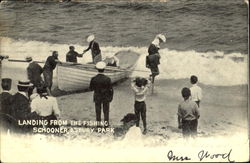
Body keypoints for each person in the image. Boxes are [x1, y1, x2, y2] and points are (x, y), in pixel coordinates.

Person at [89, 61, 113, 126]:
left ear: (97, 69)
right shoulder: (108, 79)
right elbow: (110, 89)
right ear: (104, 69)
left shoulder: (93, 79)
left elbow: (91, 88)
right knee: (106, 111)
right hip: (105, 97)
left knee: (98, 111)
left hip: (97, 96)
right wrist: (110, 98)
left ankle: (98, 125)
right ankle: (106, 125)